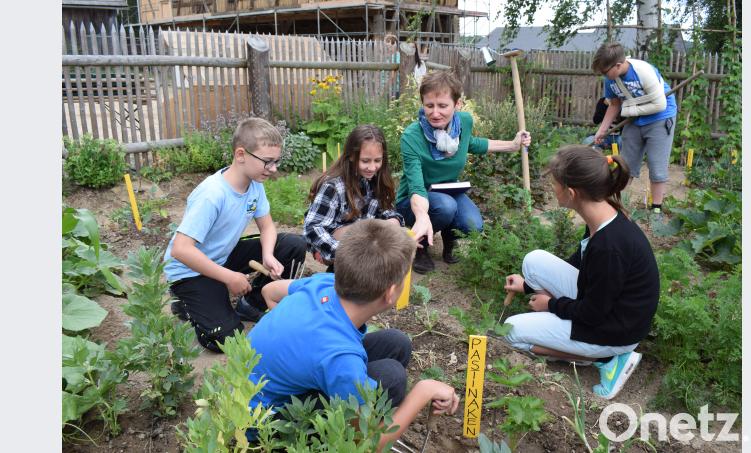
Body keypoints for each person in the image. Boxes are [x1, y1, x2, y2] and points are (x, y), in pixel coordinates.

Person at [250, 219, 460, 448]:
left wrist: (295, 333)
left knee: (396, 343)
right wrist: (423, 391)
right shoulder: (341, 358)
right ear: (390, 293)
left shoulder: (324, 283)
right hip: (265, 425)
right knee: (391, 376)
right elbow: (367, 443)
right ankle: (360, 427)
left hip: (267, 384)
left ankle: (365, 412)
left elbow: (269, 291)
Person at [502, 145, 659, 400]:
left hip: (616, 329)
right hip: (611, 308)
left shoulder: (610, 248)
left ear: (572, 193)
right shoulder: (604, 215)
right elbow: (581, 269)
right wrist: (528, 287)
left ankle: (608, 357)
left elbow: (593, 313)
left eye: (554, 184)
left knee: (510, 331)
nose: (552, 189)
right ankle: (578, 340)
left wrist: (551, 304)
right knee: (533, 262)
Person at [163, 117, 307, 353]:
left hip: (222, 256)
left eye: (277, 162)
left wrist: (268, 255)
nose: (274, 169)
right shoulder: (212, 194)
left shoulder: (254, 184)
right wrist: (229, 277)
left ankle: (252, 304)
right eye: (268, 162)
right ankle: (185, 303)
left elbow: (268, 227)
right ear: (241, 155)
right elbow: (181, 249)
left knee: (293, 245)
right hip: (189, 270)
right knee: (226, 339)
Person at [395, 70, 531, 274]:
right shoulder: (412, 137)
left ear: (457, 105)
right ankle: (421, 245)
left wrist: (512, 145)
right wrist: (422, 216)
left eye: (442, 106)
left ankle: (450, 240)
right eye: (429, 105)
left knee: (473, 226)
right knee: (446, 207)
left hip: (448, 191)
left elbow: (471, 143)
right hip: (415, 199)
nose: (434, 113)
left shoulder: (464, 123)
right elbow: (415, 187)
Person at [591, 42, 677, 218]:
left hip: (661, 116)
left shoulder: (643, 71)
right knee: (626, 163)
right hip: (634, 118)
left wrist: (631, 110)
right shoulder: (610, 79)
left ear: (618, 65)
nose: (604, 75)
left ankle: (656, 209)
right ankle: (616, 203)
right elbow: (614, 104)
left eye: (605, 71)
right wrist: (602, 129)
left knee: (656, 164)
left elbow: (659, 104)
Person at [303, 124, 404, 272]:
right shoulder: (333, 186)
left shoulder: (377, 179)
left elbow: (387, 210)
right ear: (351, 156)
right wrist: (342, 254)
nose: (372, 167)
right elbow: (313, 227)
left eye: (377, 161)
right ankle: (343, 273)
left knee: (387, 227)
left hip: (365, 244)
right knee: (362, 231)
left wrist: (393, 221)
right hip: (337, 247)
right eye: (365, 161)